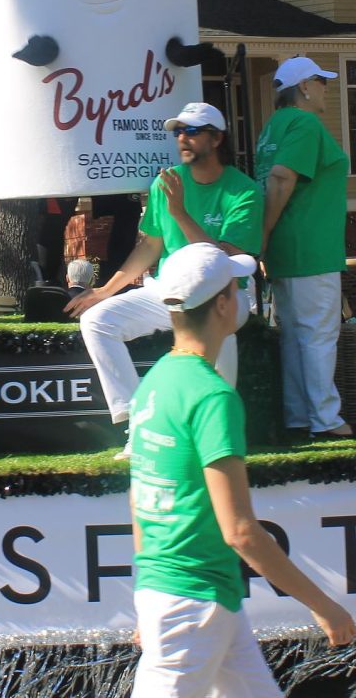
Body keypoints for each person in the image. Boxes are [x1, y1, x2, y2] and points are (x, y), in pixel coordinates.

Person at [128, 242, 355, 697]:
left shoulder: (156, 381)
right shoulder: (212, 396)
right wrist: (325, 607)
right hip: (192, 605)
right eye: (237, 287)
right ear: (224, 304)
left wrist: (148, 595)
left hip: (190, 597)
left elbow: (140, 500)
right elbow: (241, 532)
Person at [67, 102, 262, 452]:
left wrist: (180, 213)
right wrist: (105, 290)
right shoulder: (166, 182)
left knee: (219, 350)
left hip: (224, 297)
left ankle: (215, 436)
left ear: (216, 139)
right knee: (97, 321)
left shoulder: (244, 191)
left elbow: (221, 261)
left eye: (191, 131)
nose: (182, 138)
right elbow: (150, 247)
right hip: (167, 293)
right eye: (178, 132)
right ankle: (140, 422)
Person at [255, 56, 351, 439]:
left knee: (296, 337)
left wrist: (264, 239)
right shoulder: (306, 122)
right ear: (305, 87)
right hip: (311, 249)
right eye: (321, 81)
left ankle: (299, 419)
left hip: (285, 251)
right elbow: (281, 178)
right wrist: (263, 234)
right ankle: (327, 422)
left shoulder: (272, 127)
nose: (326, 88)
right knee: (318, 337)